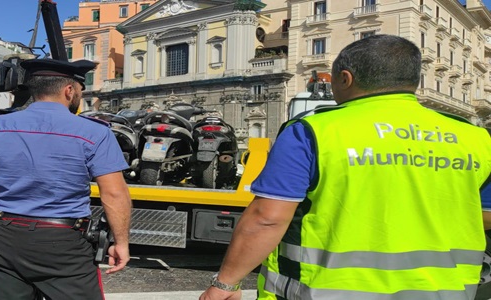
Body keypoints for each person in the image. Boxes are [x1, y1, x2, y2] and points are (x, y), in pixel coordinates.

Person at [200, 34, 491, 300]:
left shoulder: (312, 131)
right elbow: (483, 214)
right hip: (446, 293)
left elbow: (267, 218)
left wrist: (226, 284)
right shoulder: (475, 137)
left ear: (345, 78)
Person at [0, 59, 132, 300]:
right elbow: (114, 193)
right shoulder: (94, 131)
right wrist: (121, 242)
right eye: (79, 90)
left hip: (3, 236)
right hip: (61, 242)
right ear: (69, 90)